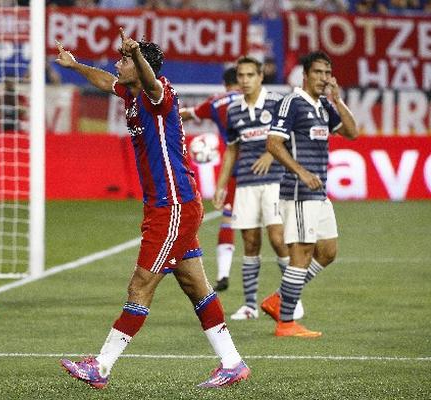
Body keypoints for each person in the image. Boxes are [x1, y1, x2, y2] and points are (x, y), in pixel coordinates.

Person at [55, 29, 250, 389]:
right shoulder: (129, 93)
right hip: (171, 205)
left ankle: (101, 366)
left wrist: (138, 57)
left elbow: (148, 79)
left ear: (142, 66)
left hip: (171, 206)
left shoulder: (157, 92)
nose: (118, 62)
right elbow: (106, 81)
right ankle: (232, 363)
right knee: (195, 285)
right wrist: (75, 66)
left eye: (124, 59)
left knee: (140, 285)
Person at [262, 51, 357, 337]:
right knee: (301, 254)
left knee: (327, 252)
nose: (323, 78)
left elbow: (352, 132)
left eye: (327, 73)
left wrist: (338, 101)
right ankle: (286, 323)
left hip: (319, 191)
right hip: (299, 190)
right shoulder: (291, 103)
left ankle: (279, 298)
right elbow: (273, 143)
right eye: (317, 72)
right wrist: (301, 171)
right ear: (305, 74)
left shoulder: (324, 107)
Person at [214, 56, 304, 321]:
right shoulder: (234, 110)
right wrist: (221, 185)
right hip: (245, 183)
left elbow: (293, 138)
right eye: (241, 75)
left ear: (260, 76)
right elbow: (232, 149)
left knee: (278, 239)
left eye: (249, 75)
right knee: (250, 243)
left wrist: (272, 152)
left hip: (276, 180)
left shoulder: (277, 102)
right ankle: (250, 305)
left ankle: (291, 300)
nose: (244, 80)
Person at [179, 67, 241, 292]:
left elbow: (187, 113)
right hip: (264, 169)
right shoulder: (257, 99)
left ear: (225, 84)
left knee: (228, 219)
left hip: (234, 169)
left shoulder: (217, 102)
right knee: (270, 227)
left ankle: (223, 274)